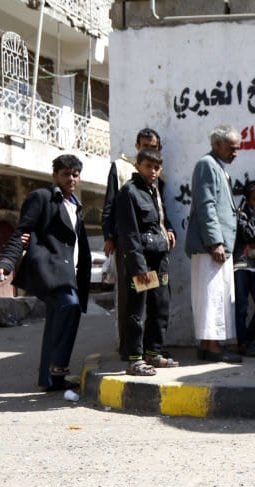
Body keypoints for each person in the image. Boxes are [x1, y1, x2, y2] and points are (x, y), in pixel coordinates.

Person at [0, 154, 90, 391]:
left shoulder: (75, 205)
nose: (71, 178)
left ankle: (51, 379)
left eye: (75, 174)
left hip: (71, 270)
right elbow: (22, 230)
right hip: (50, 267)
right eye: (66, 173)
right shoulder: (42, 197)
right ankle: (58, 366)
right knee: (69, 304)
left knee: (59, 316)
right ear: (55, 175)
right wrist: (6, 261)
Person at [114, 148, 178, 376]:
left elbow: (160, 221)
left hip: (159, 259)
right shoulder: (129, 193)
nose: (153, 171)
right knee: (137, 311)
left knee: (160, 306)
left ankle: (153, 352)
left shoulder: (155, 191)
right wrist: (139, 268)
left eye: (156, 167)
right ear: (138, 166)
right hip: (143, 263)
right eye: (148, 166)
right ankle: (134, 359)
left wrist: (169, 231)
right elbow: (129, 234)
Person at [100, 128, 163, 357]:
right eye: (145, 145)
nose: (149, 149)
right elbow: (110, 203)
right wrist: (109, 235)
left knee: (155, 301)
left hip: (154, 248)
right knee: (132, 301)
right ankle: (130, 353)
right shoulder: (123, 170)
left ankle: (150, 351)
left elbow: (160, 213)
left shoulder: (155, 175)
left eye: (153, 146)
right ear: (137, 147)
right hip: (131, 245)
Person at [185, 124, 242, 364]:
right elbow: (206, 205)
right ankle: (215, 348)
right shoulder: (207, 165)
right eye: (232, 147)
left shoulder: (218, 167)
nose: (235, 153)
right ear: (218, 145)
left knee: (214, 296)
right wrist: (215, 242)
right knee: (213, 297)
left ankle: (207, 346)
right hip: (212, 247)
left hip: (217, 247)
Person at [232, 181, 255, 357]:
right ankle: (243, 344)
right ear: (247, 200)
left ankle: (246, 340)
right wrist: (254, 215)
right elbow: (247, 234)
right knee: (242, 307)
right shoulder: (242, 215)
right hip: (242, 266)